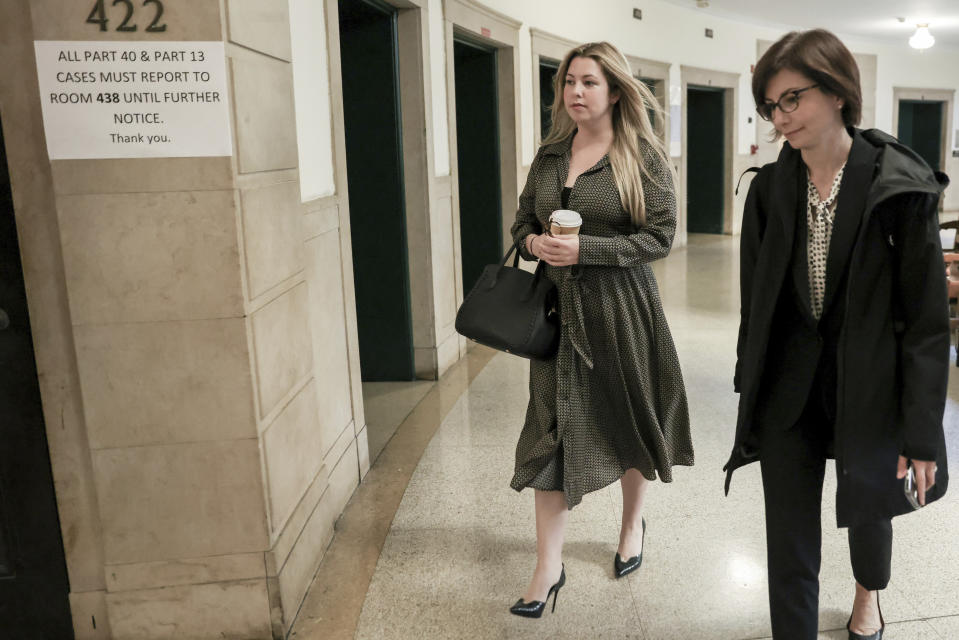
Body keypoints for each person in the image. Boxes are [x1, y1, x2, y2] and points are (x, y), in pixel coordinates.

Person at [725, 28, 950, 640]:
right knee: (788, 535)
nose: (780, 117)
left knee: (871, 507)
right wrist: (751, 384)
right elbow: (755, 303)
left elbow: (927, 322)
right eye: (771, 106)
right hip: (788, 389)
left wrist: (922, 430)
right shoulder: (770, 191)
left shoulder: (897, 185)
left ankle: (868, 597)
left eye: (791, 99)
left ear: (837, 91)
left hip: (871, 385)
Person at [508, 41, 692, 618]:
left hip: (622, 309)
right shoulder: (550, 155)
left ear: (614, 90)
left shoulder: (644, 158)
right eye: (568, 82)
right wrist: (535, 242)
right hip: (557, 316)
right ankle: (548, 565)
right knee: (551, 425)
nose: (575, 93)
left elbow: (659, 237)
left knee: (629, 415)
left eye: (588, 82)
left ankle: (632, 524)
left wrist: (588, 249)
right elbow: (520, 221)